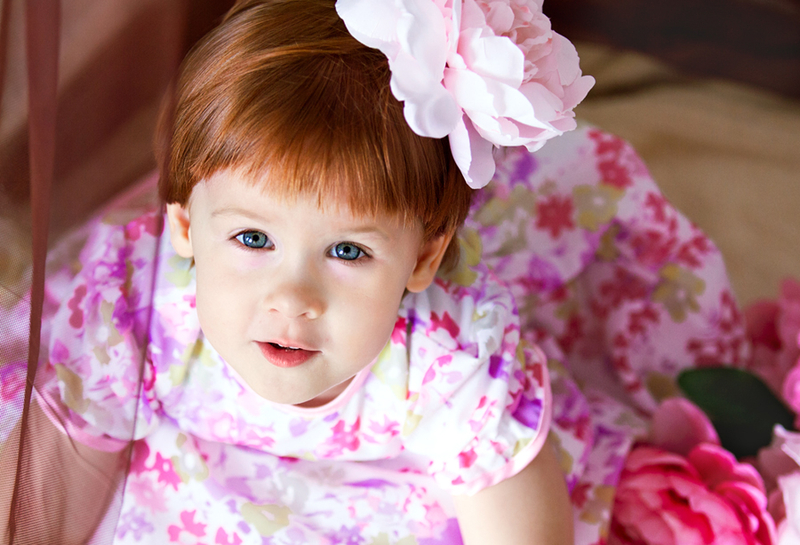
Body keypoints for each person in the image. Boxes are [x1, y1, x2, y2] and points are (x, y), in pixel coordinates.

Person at [0, 0, 747, 544]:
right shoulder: (135, 306)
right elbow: (48, 489)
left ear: (422, 258)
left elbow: (519, 526)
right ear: (187, 227)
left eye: (348, 252)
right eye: (253, 238)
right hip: (193, 479)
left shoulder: (451, 356)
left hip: (393, 497)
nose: (293, 296)